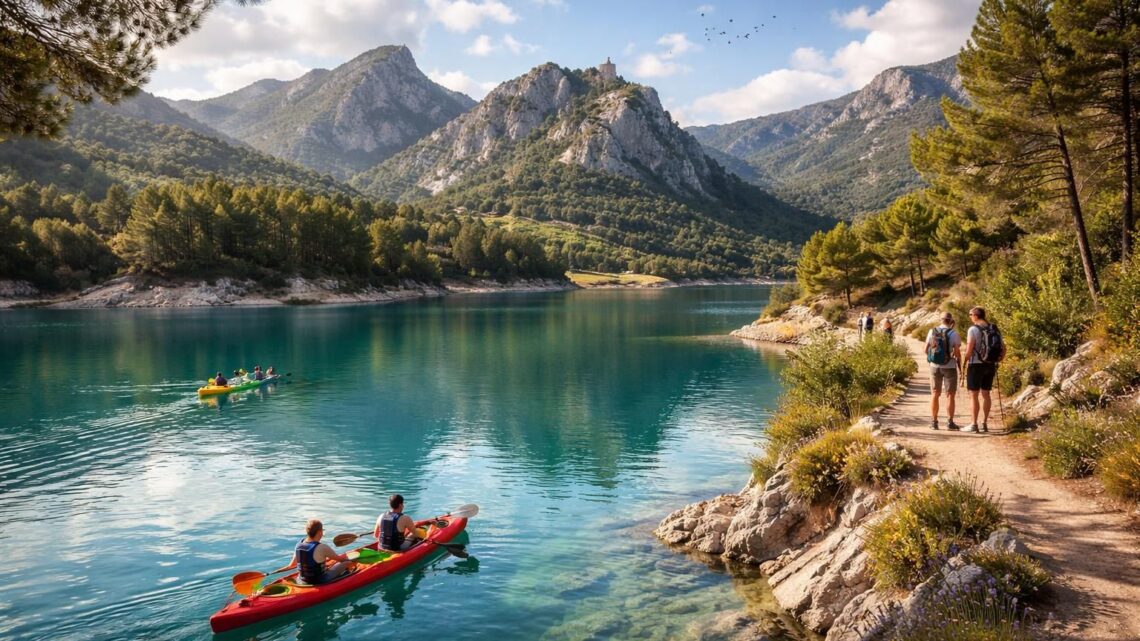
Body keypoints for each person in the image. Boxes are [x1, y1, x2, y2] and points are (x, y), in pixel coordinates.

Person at [273, 519, 352, 585]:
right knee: (347, 562)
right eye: (322, 530)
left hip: (302, 580)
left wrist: (275, 572)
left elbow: (291, 565)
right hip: (319, 580)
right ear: (319, 532)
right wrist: (346, 556)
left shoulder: (298, 545)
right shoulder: (322, 547)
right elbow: (341, 560)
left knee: (327, 564)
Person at [925, 312, 962, 430]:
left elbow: (925, 349)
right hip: (950, 366)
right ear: (951, 321)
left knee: (935, 393)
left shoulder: (932, 331)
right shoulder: (954, 333)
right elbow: (957, 352)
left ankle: (934, 422)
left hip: (934, 366)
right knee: (950, 395)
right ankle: (950, 423)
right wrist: (959, 366)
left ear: (941, 320)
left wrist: (932, 359)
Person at [962, 306, 996, 433]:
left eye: (970, 314)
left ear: (976, 315)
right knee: (986, 394)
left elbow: (970, 346)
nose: (970, 317)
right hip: (990, 364)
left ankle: (974, 424)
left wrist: (965, 360)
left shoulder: (973, 329)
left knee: (974, 395)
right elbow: (1003, 348)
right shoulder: (993, 328)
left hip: (975, 364)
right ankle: (984, 423)